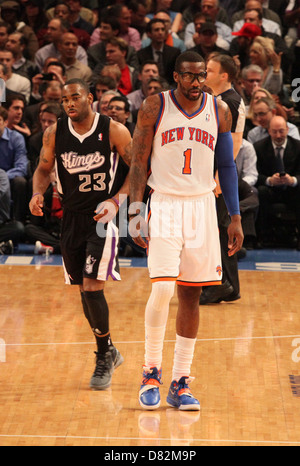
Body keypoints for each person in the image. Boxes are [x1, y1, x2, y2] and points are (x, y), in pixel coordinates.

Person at [129, 51, 243, 410]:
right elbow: (137, 160)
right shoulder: (154, 106)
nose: (197, 83)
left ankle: (180, 381)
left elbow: (226, 163)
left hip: (202, 206)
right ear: (176, 76)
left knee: (191, 296)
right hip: (163, 203)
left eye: (202, 76)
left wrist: (235, 216)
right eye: (190, 76)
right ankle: (150, 371)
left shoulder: (220, 110)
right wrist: (135, 210)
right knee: (162, 289)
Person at [29, 78, 132, 391]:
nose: (69, 103)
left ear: (90, 98)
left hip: (102, 218)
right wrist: (37, 193)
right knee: (82, 290)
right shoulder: (54, 133)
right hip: (71, 219)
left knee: (91, 286)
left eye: (75, 97)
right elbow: (44, 169)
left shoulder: (113, 130)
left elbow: (139, 169)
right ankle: (109, 349)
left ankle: (103, 356)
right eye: (64, 100)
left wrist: (117, 202)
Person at [200, 52, 245, 304]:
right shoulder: (216, 99)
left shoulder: (232, 101)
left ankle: (223, 284)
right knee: (216, 230)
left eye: (209, 70)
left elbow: (235, 141)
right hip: (212, 173)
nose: (205, 74)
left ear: (223, 75)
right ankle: (229, 286)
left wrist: (218, 178)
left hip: (218, 176)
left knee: (219, 230)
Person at [254, 115, 300, 249]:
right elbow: (254, 174)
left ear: (287, 129)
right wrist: (269, 180)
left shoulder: (298, 147)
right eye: (274, 131)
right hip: (269, 189)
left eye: (281, 131)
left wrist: (293, 180)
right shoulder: (259, 147)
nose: (278, 135)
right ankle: (261, 237)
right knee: (260, 192)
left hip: (291, 189)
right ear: (269, 131)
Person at [0, 105, 28, 224]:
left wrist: (3, 178)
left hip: (9, 177)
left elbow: (21, 168)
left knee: (20, 182)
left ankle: (17, 220)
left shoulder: (16, 138)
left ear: (5, 122)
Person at [137, 18, 181, 86]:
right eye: (156, 30)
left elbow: (177, 77)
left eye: (162, 29)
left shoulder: (175, 53)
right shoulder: (141, 55)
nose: (160, 32)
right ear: (149, 34)